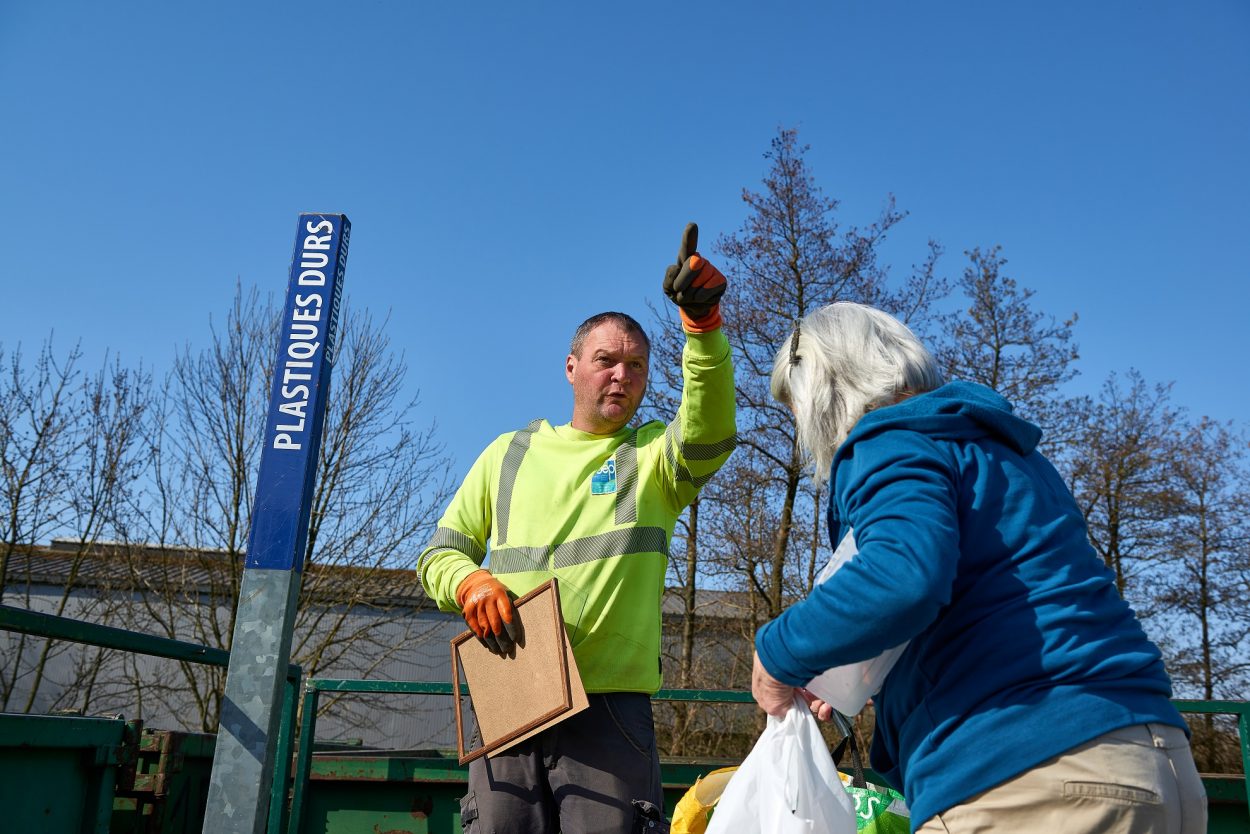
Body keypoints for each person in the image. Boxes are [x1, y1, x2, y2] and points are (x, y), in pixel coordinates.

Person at [750, 302, 1206, 833]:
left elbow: (903, 577)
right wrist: (843, 663)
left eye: (797, 409)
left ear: (825, 393)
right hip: (1155, 758)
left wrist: (779, 651)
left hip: (1023, 775)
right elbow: (989, 593)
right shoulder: (1006, 453)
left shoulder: (889, 439)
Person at [419, 223, 736, 834]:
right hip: (511, 698)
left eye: (637, 365)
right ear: (571, 368)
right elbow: (440, 552)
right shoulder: (507, 453)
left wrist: (703, 329)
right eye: (606, 361)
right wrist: (470, 584)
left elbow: (709, 429)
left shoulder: (654, 461)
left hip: (609, 710)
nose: (621, 375)